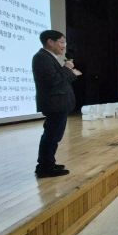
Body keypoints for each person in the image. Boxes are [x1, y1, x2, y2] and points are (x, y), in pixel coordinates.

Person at [32, 30, 81, 178]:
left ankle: (48, 163)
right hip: (54, 104)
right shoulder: (42, 57)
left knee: (54, 135)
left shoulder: (48, 57)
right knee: (51, 135)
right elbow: (53, 81)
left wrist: (70, 73)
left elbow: (59, 80)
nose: (64, 46)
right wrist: (67, 69)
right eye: (61, 42)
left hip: (58, 104)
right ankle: (45, 167)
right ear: (50, 42)